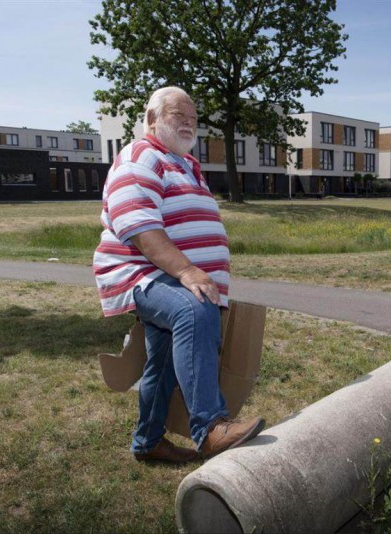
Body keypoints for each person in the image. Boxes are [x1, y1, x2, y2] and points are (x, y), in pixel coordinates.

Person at [93, 86, 264, 464]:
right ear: (151, 119)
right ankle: (210, 428)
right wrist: (186, 270)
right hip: (140, 272)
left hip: (165, 276)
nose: (188, 124)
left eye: (193, 119)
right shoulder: (141, 155)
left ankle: (148, 441)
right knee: (193, 309)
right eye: (178, 116)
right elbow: (137, 224)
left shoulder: (185, 163)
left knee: (165, 360)